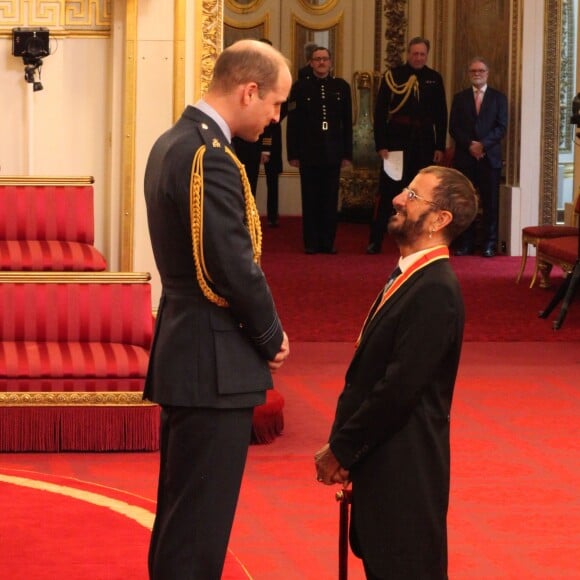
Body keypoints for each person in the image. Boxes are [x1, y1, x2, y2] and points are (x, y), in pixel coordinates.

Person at [143, 39, 291, 579]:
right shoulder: (211, 155)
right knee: (198, 529)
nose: (275, 118)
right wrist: (271, 335)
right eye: (275, 103)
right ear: (248, 91)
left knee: (182, 517)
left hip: (189, 347)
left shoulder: (172, 142)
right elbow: (231, 266)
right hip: (213, 358)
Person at [315, 165, 478, 579]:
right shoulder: (412, 275)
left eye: (412, 195)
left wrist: (342, 448)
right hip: (384, 470)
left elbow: (398, 389)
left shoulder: (436, 290)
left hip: (406, 479)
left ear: (440, 219)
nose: (397, 199)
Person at [367, 36, 447, 254]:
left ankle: (417, 239)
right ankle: (376, 239)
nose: (418, 57)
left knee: (420, 193)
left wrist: (439, 146)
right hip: (396, 143)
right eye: (415, 53)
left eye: (422, 54)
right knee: (388, 193)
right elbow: (380, 112)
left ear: (426, 55)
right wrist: (381, 144)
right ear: (408, 54)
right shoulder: (393, 76)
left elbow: (441, 115)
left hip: (423, 143)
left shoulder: (434, 78)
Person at [286, 46, 353, 254]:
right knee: (310, 197)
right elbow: (293, 123)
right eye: (317, 59)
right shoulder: (299, 88)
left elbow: (347, 122)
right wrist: (293, 153)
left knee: (330, 198)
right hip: (309, 152)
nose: (321, 63)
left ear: (331, 62)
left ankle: (328, 241)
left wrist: (347, 153)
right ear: (311, 63)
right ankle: (311, 242)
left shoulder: (341, 87)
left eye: (325, 59)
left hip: (333, 151)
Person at [449, 57, 508, 257]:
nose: (477, 74)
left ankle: (489, 244)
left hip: (489, 158)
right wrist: (470, 146)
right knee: (466, 202)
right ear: (469, 74)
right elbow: (454, 127)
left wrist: (483, 145)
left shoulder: (498, 98)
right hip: (465, 158)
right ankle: (466, 243)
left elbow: (501, 127)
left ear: (487, 73)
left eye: (481, 70)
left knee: (491, 202)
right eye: (473, 71)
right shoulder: (459, 98)